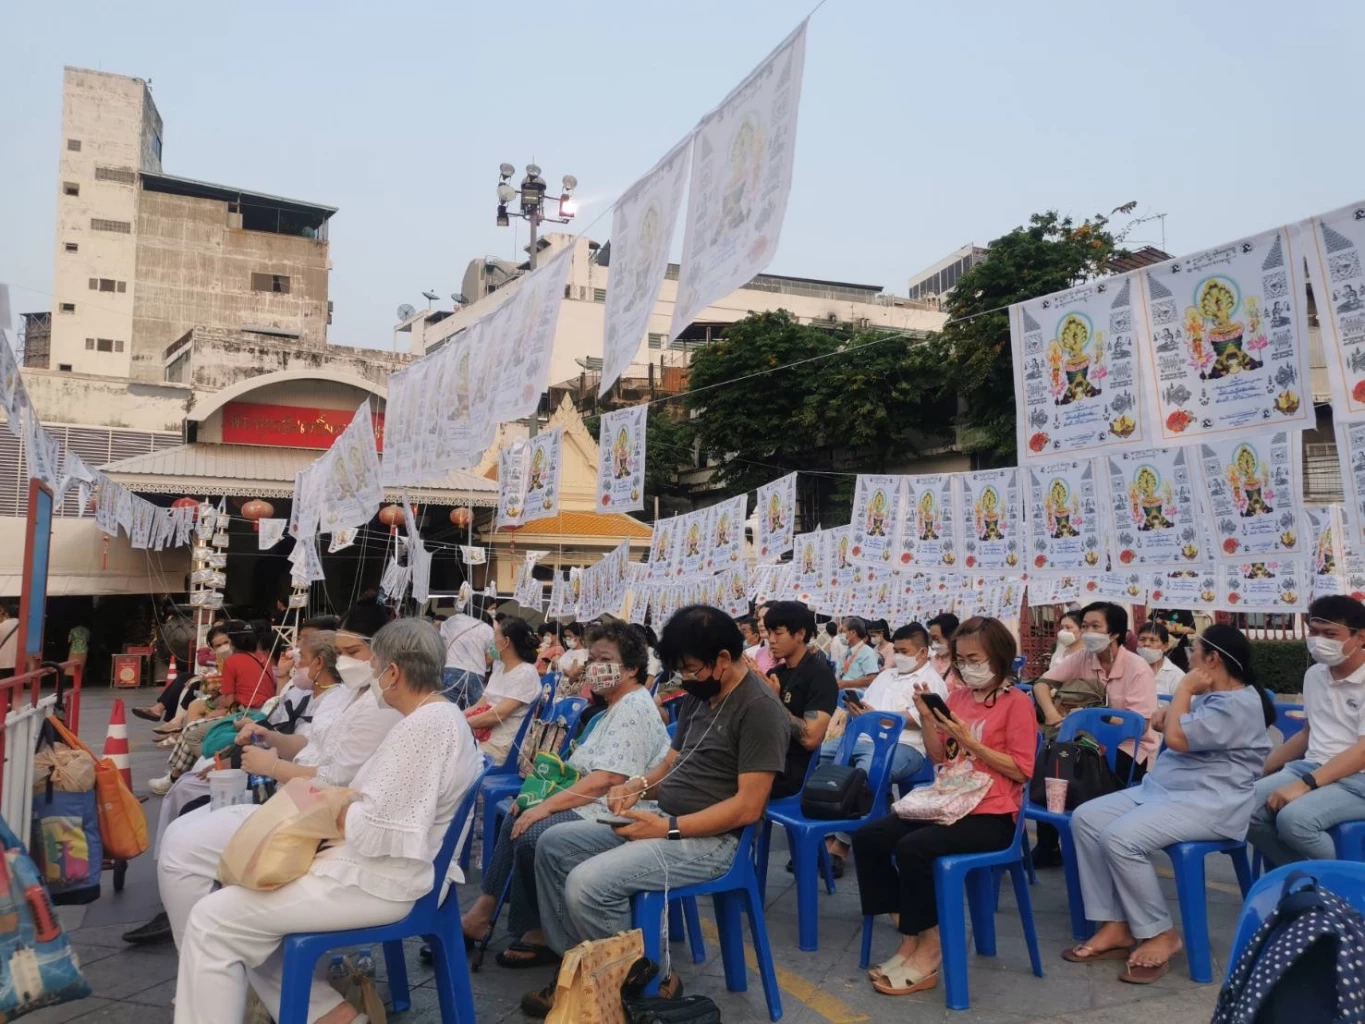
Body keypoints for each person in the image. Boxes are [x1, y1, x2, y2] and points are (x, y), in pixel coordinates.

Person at [171, 618, 483, 1024]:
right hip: (378, 871)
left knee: (212, 921)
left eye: (374, 667)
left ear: (392, 672)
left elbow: (380, 830)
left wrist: (332, 812)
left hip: (382, 880)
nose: (369, 676)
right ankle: (329, 1015)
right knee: (230, 919)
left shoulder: (425, 727)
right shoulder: (432, 719)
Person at [522, 604, 789, 1018]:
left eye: (692, 669)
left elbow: (748, 808)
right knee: (552, 844)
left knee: (587, 884)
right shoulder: (703, 693)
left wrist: (668, 828)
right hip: (666, 821)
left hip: (712, 840)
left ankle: (651, 983)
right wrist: (637, 785)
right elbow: (671, 764)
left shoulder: (759, 709)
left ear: (723, 658)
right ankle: (582, 969)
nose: (686, 679)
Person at [127, 627, 401, 946]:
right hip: (298, 798)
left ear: (386, 659)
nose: (342, 662)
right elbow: (311, 743)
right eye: (339, 653)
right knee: (181, 832)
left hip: (312, 811)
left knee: (184, 846)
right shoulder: (346, 695)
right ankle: (204, 950)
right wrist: (270, 740)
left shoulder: (384, 710)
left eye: (352, 653)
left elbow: (337, 782)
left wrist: (272, 767)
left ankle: (207, 950)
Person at [1065, 625, 1273, 983]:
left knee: (1120, 838)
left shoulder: (1239, 703)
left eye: (1193, 650)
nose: (1188, 656)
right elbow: (1174, 724)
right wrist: (1175, 710)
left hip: (1211, 803)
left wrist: (1184, 691)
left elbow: (1175, 738)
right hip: (1165, 790)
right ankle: (1115, 922)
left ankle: (1160, 931)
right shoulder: (1216, 695)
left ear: (1213, 659)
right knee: (1085, 818)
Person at [461, 621, 670, 968]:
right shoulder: (611, 709)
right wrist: (537, 803)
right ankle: (488, 909)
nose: (594, 667)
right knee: (519, 809)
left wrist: (546, 808)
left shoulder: (634, 708)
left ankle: (539, 927)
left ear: (632, 668)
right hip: (595, 801)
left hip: (618, 810)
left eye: (606, 659)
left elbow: (607, 779)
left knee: (535, 828)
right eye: (593, 658)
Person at [852, 616, 1037, 996]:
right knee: (870, 837)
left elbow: (1022, 770)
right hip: (950, 799)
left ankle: (931, 947)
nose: (968, 667)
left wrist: (973, 742)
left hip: (994, 812)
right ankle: (912, 935)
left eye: (975, 658)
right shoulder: (957, 698)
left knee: (914, 848)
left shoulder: (1017, 704)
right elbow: (942, 758)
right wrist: (926, 718)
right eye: (962, 659)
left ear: (999, 657)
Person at [1029, 602, 1159, 867]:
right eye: (1085, 626)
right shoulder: (1082, 658)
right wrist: (1052, 713)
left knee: (1084, 777)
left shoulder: (1137, 668)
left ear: (1114, 633)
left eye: (1095, 626)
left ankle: (1096, 845)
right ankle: (1047, 846)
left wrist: (1090, 714)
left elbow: (1140, 725)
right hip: (1085, 744)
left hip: (1129, 747)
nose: (1087, 632)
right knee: (1049, 767)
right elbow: (1042, 684)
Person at [816, 622, 948, 870]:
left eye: (904, 651)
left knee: (866, 772)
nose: (898, 655)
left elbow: (918, 719)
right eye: (896, 650)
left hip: (907, 747)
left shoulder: (932, 682)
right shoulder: (886, 675)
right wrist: (859, 710)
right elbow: (866, 703)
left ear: (922, 652)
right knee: (821, 756)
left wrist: (878, 716)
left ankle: (842, 843)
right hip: (864, 738)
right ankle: (827, 833)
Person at [1247, 595, 1365, 865]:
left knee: (1295, 820)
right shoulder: (1315, 675)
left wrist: (1304, 785)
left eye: (1330, 634)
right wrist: (1257, 770)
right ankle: (1309, 884)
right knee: (1244, 807)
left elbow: (1362, 752)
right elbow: (1308, 734)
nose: (1319, 640)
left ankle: (1348, 886)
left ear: (1360, 637)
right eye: (1314, 632)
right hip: (1313, 766)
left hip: (1358, 779)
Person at [764, 600, 839, 799]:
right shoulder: (775, 673)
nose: (771, 640)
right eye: (769, 633)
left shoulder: (819, 675)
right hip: (763, 759)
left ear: (800, 634)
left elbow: (810, 738)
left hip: (789, 772)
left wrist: (774, 702)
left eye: (778, 633)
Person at [467, 616, 543, 765]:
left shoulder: (525, 674)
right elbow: (480, 705)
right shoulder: (500, 669)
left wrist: (463, 723)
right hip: (483, 738)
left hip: (501, 746)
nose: (492, 642)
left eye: (495, 636)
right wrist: (456, 716)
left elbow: (498, 715)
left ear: (506, 642)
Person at [439, 600, 493, 709]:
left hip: (451, 671)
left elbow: (441, 644)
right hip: (476, 675)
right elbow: (491, 657)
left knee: (448, 710)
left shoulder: (452, 621)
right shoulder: (488, 629)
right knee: (473, 713)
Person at [1136, 622, 1184, 696]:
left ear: (1165, 646)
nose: (1146, 644)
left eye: (1153, 640)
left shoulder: (1176, 676)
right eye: (1142, 639)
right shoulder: (1129, 670)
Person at [837, 616, 881, 690]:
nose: (840, 634)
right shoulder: (845, 653)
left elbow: (872, 679)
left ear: (853, 633)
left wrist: (846, 684)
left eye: (843, 631)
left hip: (858, 697)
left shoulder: (867, 652)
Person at [926, 613, 961, 689]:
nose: (933, 643)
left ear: (951, 636)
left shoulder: (961, 663)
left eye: (936, 638)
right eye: (932, 638)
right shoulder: (934, 659)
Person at [0, 604, 17, 680]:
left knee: (5, 683)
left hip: (3, 660)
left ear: (7, 614)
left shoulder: (1, 626)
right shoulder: (26, 625)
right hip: (19, 660)